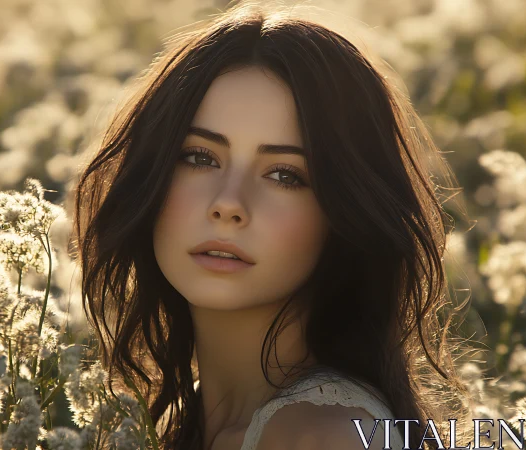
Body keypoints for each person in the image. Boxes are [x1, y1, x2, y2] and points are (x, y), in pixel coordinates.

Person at [72, 1, 474, 449]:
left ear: (343, 214)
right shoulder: (186, 424)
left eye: (285, 175)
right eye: (200, 158)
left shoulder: (324, 437)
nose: (228, 204)